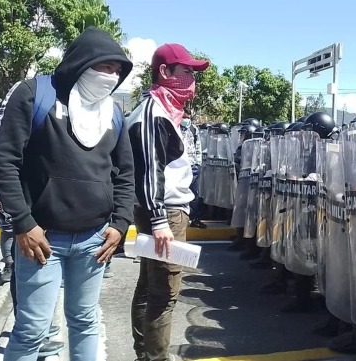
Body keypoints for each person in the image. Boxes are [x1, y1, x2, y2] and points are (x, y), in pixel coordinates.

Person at [0, 26, 134, 361]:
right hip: (42, 240)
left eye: (117, 70)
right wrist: (23, 223)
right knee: (32, 330)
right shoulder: (34, 93)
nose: (110, 76)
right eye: (104, 67)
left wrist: (121, 222)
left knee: (85, 321)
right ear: (82, 62)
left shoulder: (112, 112)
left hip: (94, 240)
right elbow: (3, 161)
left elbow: (125, 171)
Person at [128, 43, 209, 361]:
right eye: (186, 71)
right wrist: (161, 221)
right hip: (165, 214)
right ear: (164, 72)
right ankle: (154, 356)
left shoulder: (162, 110)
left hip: (164, 212)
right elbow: (151, 172)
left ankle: (145, 353)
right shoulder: (154, 112)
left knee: (150, 286)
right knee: (165, 293)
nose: (192, 80)